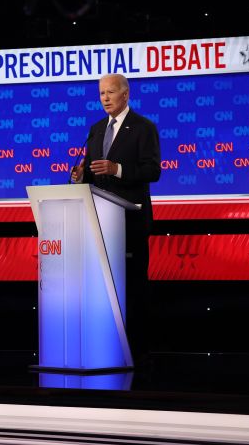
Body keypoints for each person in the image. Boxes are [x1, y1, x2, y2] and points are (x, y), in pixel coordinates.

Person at [71, 73, 161, 360]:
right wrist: (79, 176)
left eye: (110, 92)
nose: (105, 98)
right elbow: (94, 176)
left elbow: (152, 171)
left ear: (125, 94)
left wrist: (117, 169)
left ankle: (137, 353)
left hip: (130, 223)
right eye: (101, 94)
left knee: (133, 290)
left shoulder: (144, 128)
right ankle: (106, 349)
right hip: (100, 225)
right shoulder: (96, 129)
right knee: (103, 290)